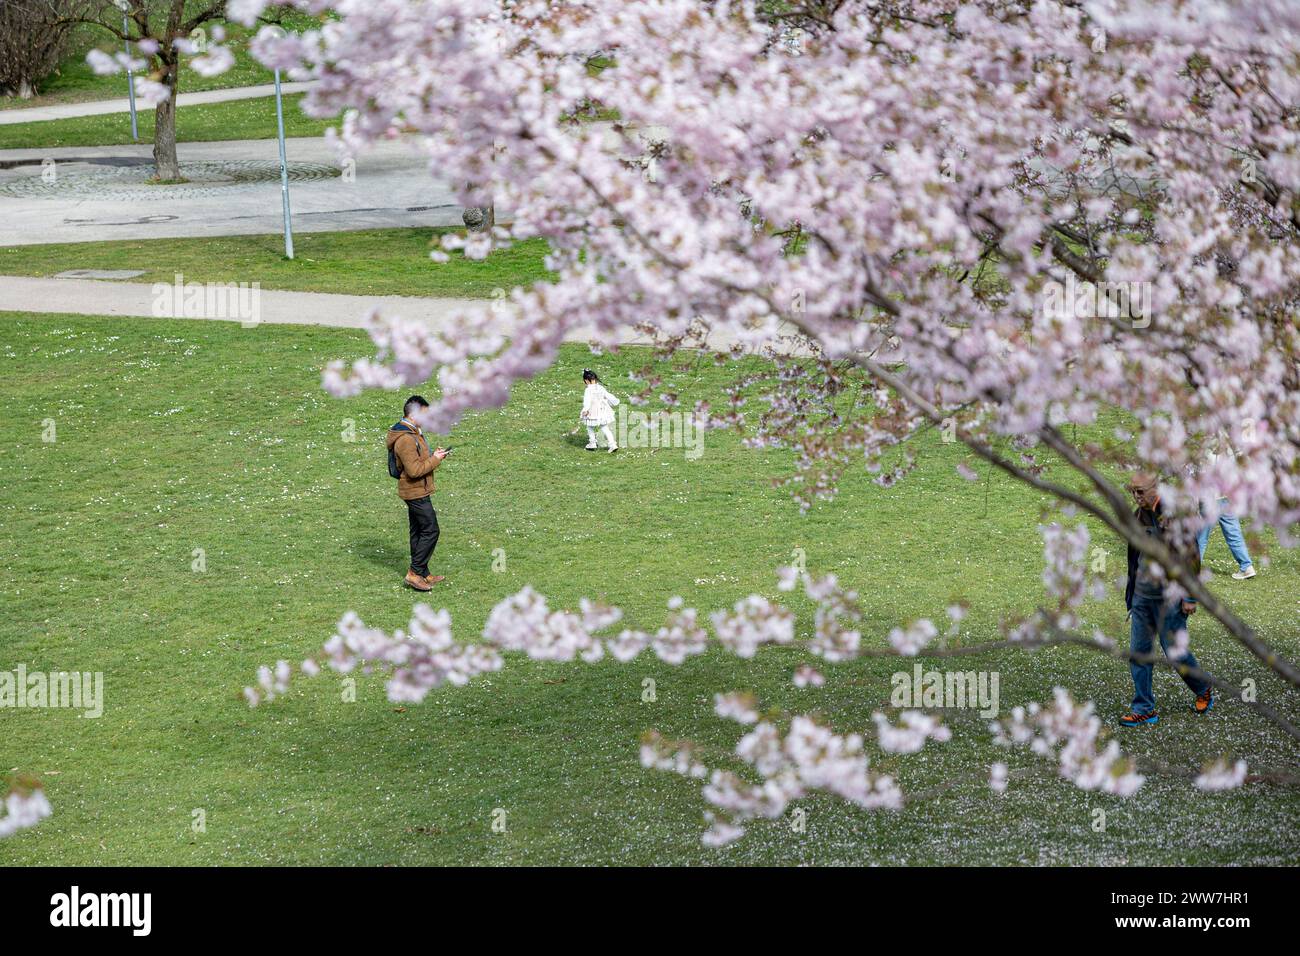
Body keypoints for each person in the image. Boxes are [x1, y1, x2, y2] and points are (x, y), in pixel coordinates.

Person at [1120, 472, 1214, 727]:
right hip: (1142, 596)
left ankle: (1202, 687)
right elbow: (1133, 558)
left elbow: (1192, 556)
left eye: (1140, 491)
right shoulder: (1138, 516)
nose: (1136, 497)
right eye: (1132, 492)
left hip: (1169, 599)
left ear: (1156, 488)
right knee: (1139, 653)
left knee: (1175, 653)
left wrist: (1191, 596)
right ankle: (1144, 708)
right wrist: (1131, 594)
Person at [386, 396, 448, 592]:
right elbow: (413, 471)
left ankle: (422, 571)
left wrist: (433, 456)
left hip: (418, 489)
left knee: (419, 530)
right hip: (414, 491)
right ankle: (414, 573)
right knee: (431, 530)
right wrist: (436, 460)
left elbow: (417, 461)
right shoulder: (405, 439)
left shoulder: (412, 433)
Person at [579, 369, 620, 453]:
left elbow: (587, 401)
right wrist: (615, 401)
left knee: (590, 427)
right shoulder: (600, 387)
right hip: (603, 411)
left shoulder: (588, 390)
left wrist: (585, 410)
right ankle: (612, 444)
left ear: (586, 380)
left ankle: (592, 443)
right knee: (605, 427)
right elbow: (608, 395)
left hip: (592, 412)